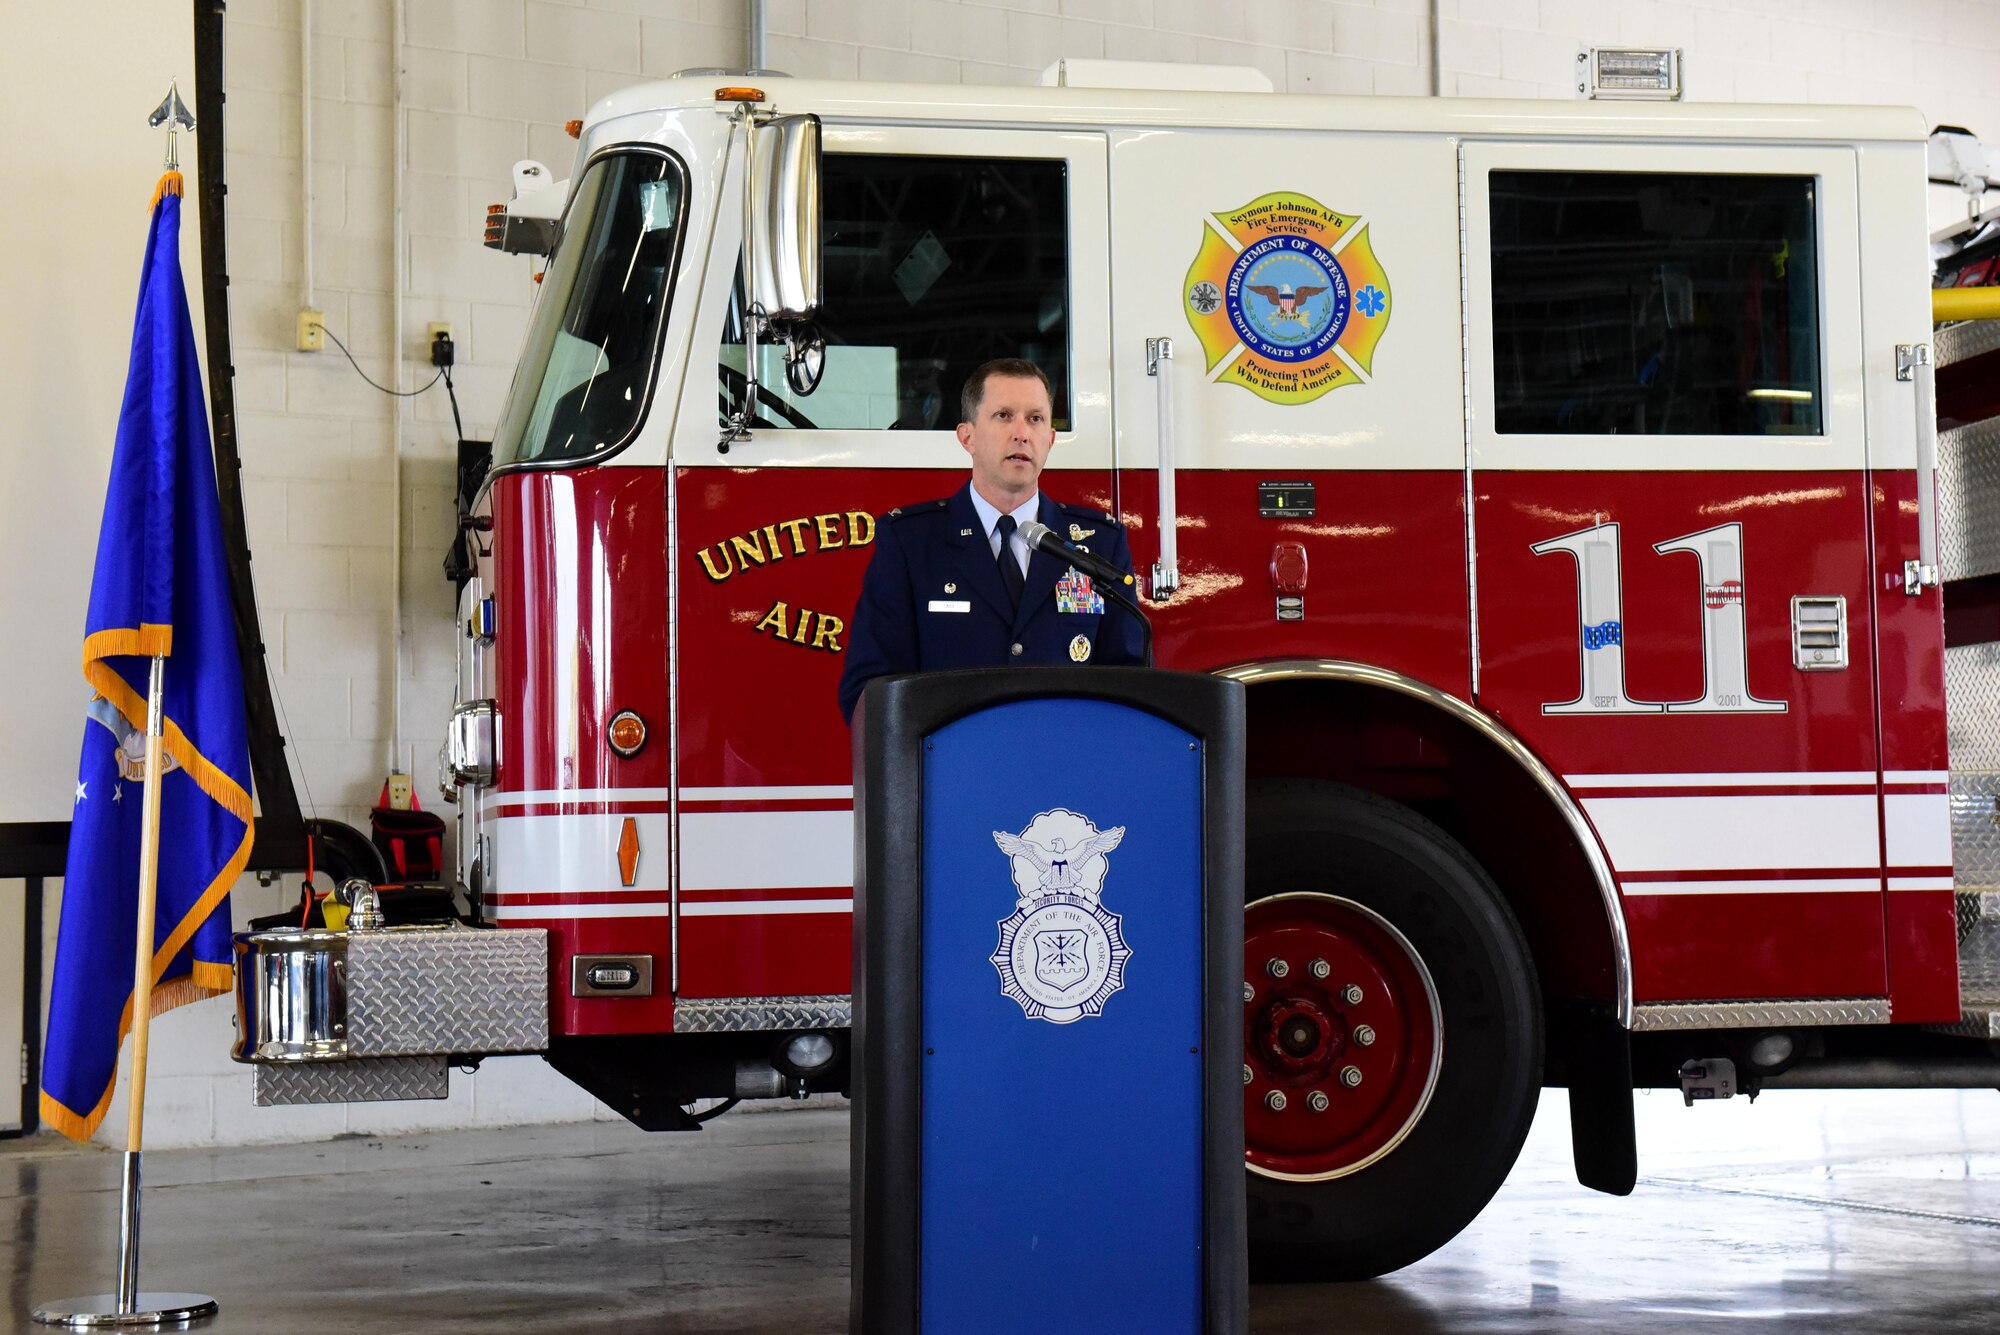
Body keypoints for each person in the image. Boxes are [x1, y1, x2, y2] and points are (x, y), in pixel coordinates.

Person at [837, 358, 1146, 723]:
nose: (1021, 433)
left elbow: (1132, 685)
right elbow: (869, 688)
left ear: (1049, 439)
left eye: (1035, 419)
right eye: (1003, 416)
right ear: (966, 436)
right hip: (952, 771)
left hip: (1066, 767)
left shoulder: (1099, 544)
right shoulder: (911, 542)